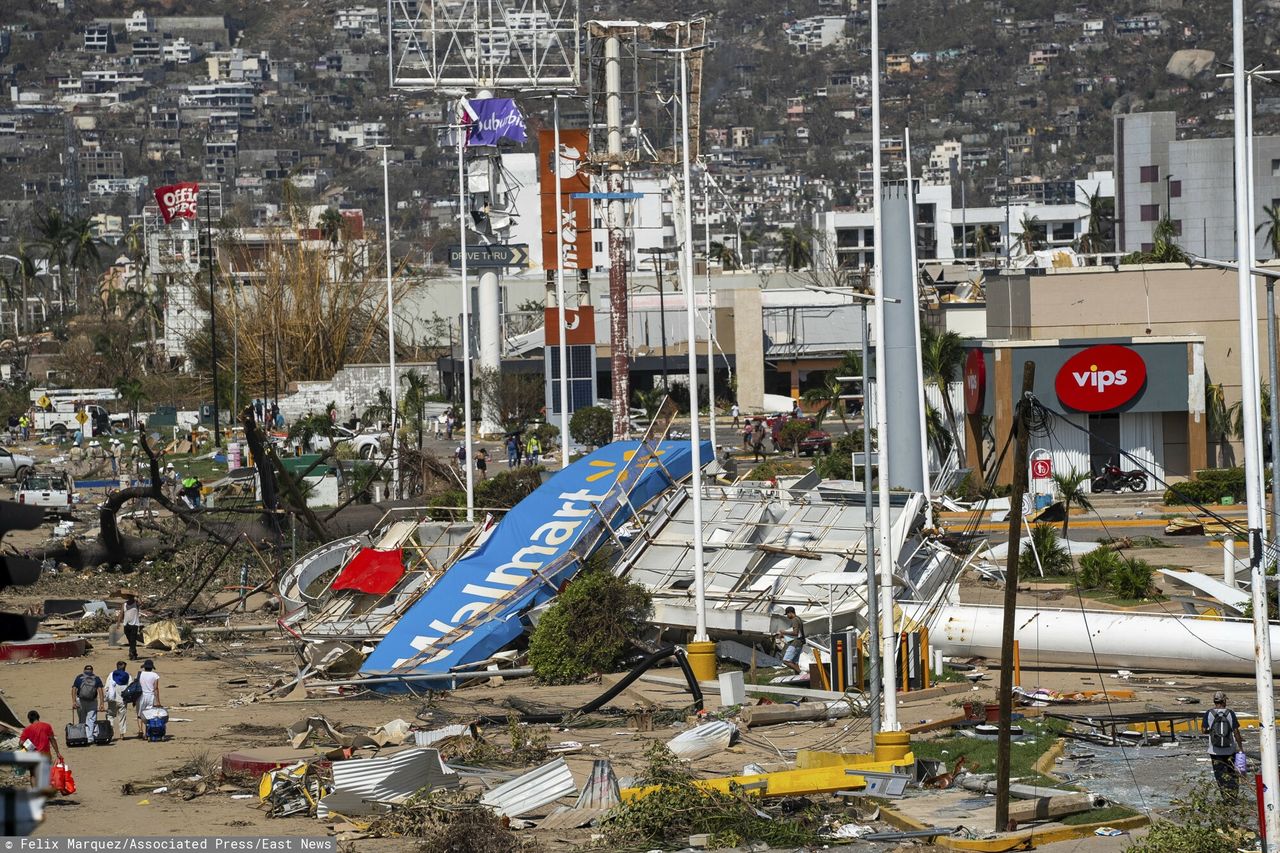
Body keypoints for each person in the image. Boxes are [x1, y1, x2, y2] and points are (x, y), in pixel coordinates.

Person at [1203, 690, 1245, 791]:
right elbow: (1236, 732)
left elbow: (1203, 731)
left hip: (1214, 751)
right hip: (1229, 750)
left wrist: (1214, 732)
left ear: (1214, 702)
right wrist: (1240, 748)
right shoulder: (1230, 713)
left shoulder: (1209, 713)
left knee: (1219, 774)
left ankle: (1225, 797)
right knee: (1232, 773)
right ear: (1224, 701)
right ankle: (1233, 795)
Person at [19, 711, 61, 783]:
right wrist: (57, 752)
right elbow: (52, 740)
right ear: (38, 717)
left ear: (29, 719)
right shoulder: (47, 726)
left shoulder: (27, 729)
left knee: (33, 775)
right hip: (45, 755)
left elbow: (21, 743)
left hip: (33, 755)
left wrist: (30, 747)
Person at [71, 664, 104, 740]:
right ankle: (89, 738)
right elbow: (100, 691)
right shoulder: (96, 678)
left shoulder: (79, 678)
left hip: (81, 701)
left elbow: (74, 689)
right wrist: (102, 703)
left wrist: (73, 701)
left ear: (84, 670)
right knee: (91, 719)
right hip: (92, 701)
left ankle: (82, 736)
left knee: (82, 719)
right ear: (92, 671)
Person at [104, 660, 131, 738]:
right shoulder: (128, 676)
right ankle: (122, 733)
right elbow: (130, 687)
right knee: (122, 717)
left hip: (112, 699)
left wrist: (106, 697)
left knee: (110, 715)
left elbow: (106, 687)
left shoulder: (111, 674)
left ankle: (110, 731)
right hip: (122, 699)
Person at [776, 606, 806, 673]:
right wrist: (785, 635)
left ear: (790, 613)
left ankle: (801, 673)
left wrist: (784, 632)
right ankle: (799, 675)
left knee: (786, 660)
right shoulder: (799, 619)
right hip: (800, 642)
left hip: (795, 643)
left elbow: (795, 633)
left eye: (787, 614)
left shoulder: (794, 620)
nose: (787, 616)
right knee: (795, 662)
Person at [136, 659, 160, 739]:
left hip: (141, 696)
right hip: (151, 696)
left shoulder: (140, 674)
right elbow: (156, 688)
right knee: (148, 715)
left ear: (144, 667)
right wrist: (158, 701)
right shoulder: (155, 675)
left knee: (139, 714)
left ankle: (140, 730)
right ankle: (146, 733)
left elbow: (136, 685)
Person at [117, 589, 142, 661]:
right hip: (126, 624)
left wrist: (138, 596)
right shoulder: (124, 604)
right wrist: (118, 623)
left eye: (131, 597)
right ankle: (133, 652)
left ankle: (132, 653)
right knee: (130, 640)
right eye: (128, 597)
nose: (129, 598)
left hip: (134, 624)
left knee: (133, 639)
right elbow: (121, 614)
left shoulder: (136, 603)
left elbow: (141, 603)